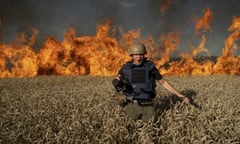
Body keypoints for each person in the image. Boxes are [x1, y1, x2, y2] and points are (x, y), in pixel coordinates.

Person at [112, 43, 189, 122]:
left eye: (141, 55)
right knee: (130, 122)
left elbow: (163, 82)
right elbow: (117, 79)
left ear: (144, 55)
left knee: (152, 121)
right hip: (131, 102)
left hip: (147, 103)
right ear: (131, 55)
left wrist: (180, 95)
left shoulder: (150, 67)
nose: (138, 58)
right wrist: (116, 82)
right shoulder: (125, 68)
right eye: (136, 55)